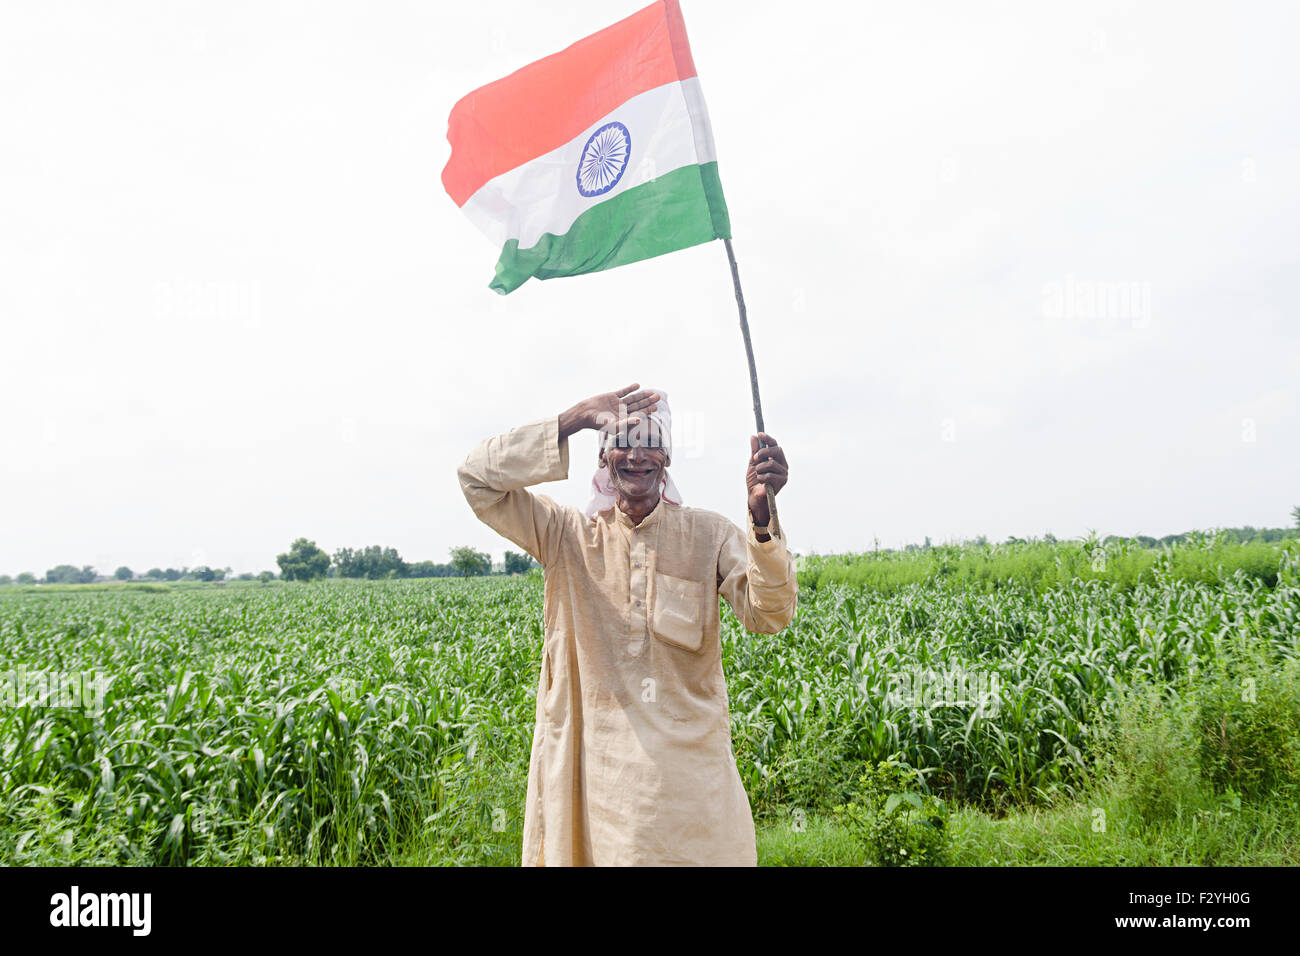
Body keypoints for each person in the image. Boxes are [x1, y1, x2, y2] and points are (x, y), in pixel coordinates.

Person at [457, 383, 795, 865]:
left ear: (668, 459)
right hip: (597, 788)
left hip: (689, 797)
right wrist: (572, 418)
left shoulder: (710, 535)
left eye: (651, 443)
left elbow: (770, 614)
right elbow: (475, 478)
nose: (637, 454)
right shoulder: (565, 535)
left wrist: (763, 518)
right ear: (603, 458)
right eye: (622, 440)